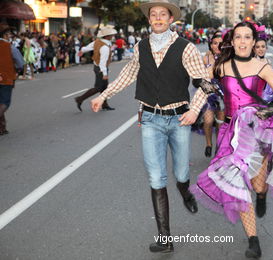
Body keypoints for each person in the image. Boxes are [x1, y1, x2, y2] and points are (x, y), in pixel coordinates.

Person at [90, 0, 214, 253]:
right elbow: (127, 74)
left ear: (171, 19)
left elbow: (204, 83)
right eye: (153, 15)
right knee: (156, 177)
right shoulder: (140, 47)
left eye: (162, 15)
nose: (157, 18)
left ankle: (185, 191)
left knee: (180, 175)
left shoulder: (186, 48)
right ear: (149, 20)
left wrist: (194, 110)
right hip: (150, 119)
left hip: (180, 119)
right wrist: (103, 96)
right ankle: (165, 238)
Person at [190, 22, 273, 259]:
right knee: (238, 186)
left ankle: (262, 194)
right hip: (230, 133)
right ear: (232, 41)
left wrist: (266, 112)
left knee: (258, 185)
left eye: (247, 37)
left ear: (254, 42)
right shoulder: (221, 65)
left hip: (255, 131)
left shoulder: (262, 66)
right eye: (238, 37)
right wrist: (204, 85)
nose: (242, 41)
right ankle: (254, 240)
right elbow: (201, 82)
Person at [75, 27, 117, 111]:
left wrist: (82, 51)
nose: (113, 36)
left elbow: (87, 47)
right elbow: (102, 62)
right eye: (111, 35)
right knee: (98, 87)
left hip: (97, 67)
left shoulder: (97, 42)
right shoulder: (105, 47)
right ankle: (79, 99)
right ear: (107, 36)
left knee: (104, 87)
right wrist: (104, 74)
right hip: (101, 68)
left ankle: (104, 104)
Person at [197, 31, 224, 157]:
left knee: (220, 122)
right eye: (215, 43)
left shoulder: (227, 58)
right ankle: (209, 144)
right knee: (208, 121)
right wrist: (209, 89)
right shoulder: (206, 58)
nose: (217, 45)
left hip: (224, 95)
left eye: (220, 43)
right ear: (211, 45)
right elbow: (197, 78)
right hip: (208, 94)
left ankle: (218, 145)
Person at [0, 25, 24, 135]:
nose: (10, 36)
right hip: (5, 77)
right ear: (5, 35)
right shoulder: (9, 47)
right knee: (5, 102)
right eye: (8, 34)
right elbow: (20, 62)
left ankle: (2, 127)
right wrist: (18, 69)